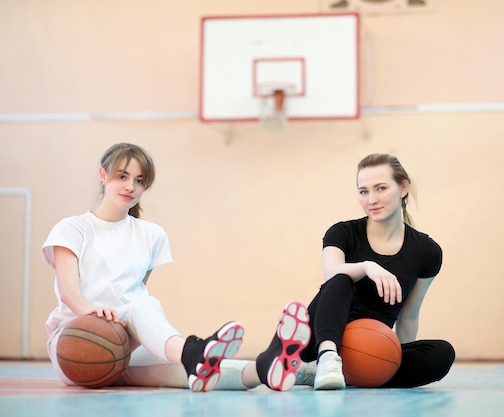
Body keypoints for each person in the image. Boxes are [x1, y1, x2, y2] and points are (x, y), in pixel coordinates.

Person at [42, 142, 311, 392]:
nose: (131, 186)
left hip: (123, 339)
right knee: (146, 310)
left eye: (139, 180)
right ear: (103, 175)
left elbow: (134, 292)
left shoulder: (151, 234)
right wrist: (93, 313)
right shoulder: (73, 228)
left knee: (188, 370)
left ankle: (263, 368)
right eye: (122, 176)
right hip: (75, 337)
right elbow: (68, 288)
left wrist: (129, 333)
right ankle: (191, 350)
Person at [297, 153, 455, 390]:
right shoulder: (342, 233)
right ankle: (326, 361)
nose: (372, 199)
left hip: (367, 345)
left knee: (442, 353)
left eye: (380, 188)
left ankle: (350, 372)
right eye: (364, 191)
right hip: (320, 338)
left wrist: (398, 357)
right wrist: (366, 266)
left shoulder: (427, 251)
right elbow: (331, 274)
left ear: (403, 188)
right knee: (341, 278)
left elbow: (409, 315)